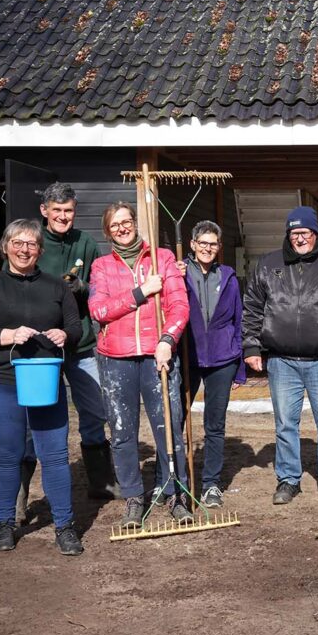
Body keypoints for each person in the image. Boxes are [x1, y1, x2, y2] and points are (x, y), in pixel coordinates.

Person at [0, 219, 84, 555]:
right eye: (17, 242)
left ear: (40, 250)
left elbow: (75, 327)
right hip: (0, 381)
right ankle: (4, 523)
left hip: (45, 379)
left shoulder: (57, 288)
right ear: (5, 247)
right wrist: (8, 335)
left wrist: (65, 335)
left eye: (31, 244)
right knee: (7, 457)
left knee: (56, 456)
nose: (24, 249)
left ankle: (65, 526)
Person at [18, 183, 120, 514]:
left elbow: (100, 290)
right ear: (44, 210)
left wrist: (83, 286)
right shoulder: (32, 242)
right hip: (39, 348)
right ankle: (20, 493)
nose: (64, 216)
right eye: (57, 210)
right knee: (37, 418)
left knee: (95, 413)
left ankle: (101, 482)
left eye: (69, 211)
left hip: (82, 344)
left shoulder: (85, 243)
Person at [88, 202, 192, 527]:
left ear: (135, 222)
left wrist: (167, 340)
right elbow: (99, 311)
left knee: (169, 427)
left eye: (127, 221)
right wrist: (140, 292)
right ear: (108, 232)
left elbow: (179, 306)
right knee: (122, 433)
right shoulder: (101, 267)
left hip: (155, 355)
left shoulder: (162, 259)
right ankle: (134, 497)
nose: (122, 227)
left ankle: (176, 494)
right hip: (115, 359)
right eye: (115, 224)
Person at [242, 206, 318, 506]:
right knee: (285, 423)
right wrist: (251, 347)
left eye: (304, 233)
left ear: (315, 234)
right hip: (282, 360)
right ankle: (288, 479)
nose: (299, 239)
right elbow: (252, 306)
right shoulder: (268, 264)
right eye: (294, 233)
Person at [180, 220, 246, 508]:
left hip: (222, 358)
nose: (207, 248)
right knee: (175, 420)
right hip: (187, 357)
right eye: (202, 243)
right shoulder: (178, 272)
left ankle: (210, 485)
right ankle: (170, 481)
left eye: (213, 244)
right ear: (193, 244)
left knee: (215, 425)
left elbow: (238, 319)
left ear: (219, 248)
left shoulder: (228, 277)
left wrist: (240, 364)